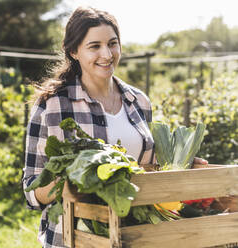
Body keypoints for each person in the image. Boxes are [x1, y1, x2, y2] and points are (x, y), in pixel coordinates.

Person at [22, 6, 207, 248]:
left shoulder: (139, 101)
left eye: (112, 43)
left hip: (134, 235)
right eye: (94, 46)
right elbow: (30, 191)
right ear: (74, 51)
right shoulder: (52, 106)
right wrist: (65, 186)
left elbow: (144, 170)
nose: (107, 54)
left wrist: (180, 167)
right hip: (73, 239)